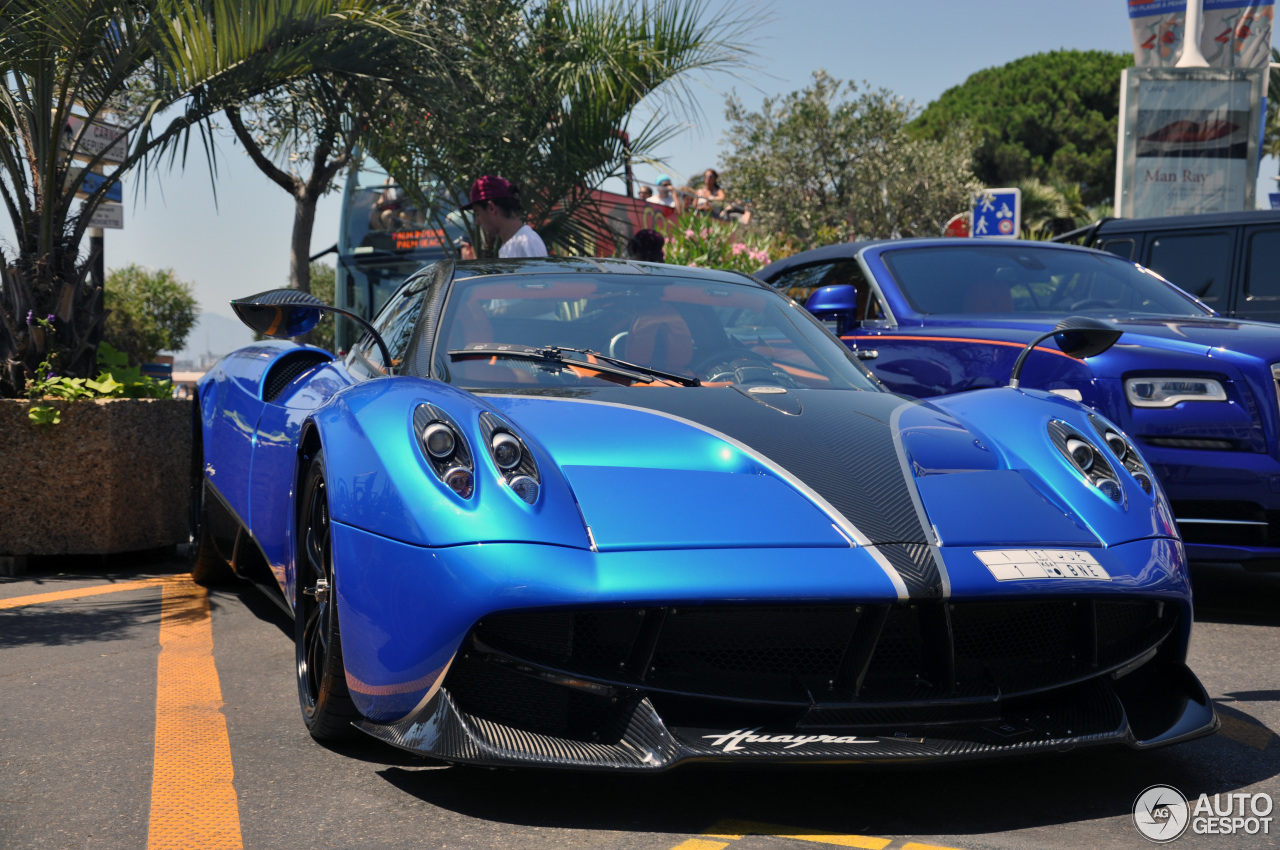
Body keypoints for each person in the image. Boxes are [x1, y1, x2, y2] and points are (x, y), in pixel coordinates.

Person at [458, 175, 547, 259]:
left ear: (491, 208)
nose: (477, 221)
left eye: (478, 213)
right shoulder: (511, 245)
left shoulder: (526, 243)